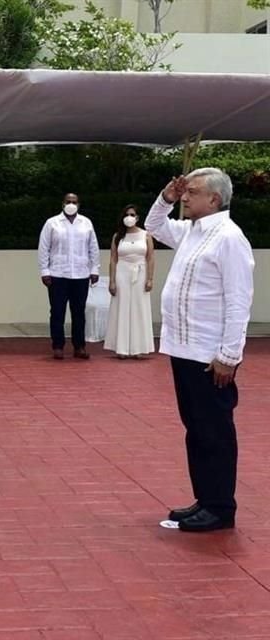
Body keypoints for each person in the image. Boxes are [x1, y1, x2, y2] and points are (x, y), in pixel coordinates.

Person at [145, 168, 254, 532]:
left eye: (192, 192)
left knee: (215, 431)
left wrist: (229, 355)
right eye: (185, 191)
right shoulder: (192, 231)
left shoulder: (229, 238)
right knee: (196, 428)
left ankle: (221, 508)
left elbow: (239, 300)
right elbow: (154, 225)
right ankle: (205, 498)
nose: (186, 197)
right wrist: (166, 197)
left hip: (210, 354)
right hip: (184, 348)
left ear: (214, 199)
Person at [37, 193, 100, 360]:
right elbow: (44, 248)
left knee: (79, 312)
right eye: (68, 201)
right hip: (58, 274)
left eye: (74, 202)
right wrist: (44, 271)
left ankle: (79, 346)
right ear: (63, 203)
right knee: (57, 311)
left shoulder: (86, 223)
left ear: (79, 205)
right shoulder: (52, 223)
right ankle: (58, 346)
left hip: (80, 274)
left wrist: (94, 269)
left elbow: (93, 247)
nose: (71, 204)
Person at [104, 204, 155, 358]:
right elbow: (113, 259)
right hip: (122, 273)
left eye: (132, 215)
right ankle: (122, 348)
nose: (129, 217)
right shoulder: (118, 236)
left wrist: (150, 279)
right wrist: (112, 281)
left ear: (137, 218)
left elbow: (150, 258)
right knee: (122, 307)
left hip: (140, 273)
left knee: (139, 307)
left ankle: (139, 348)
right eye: (127, 215)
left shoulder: (146, 235)